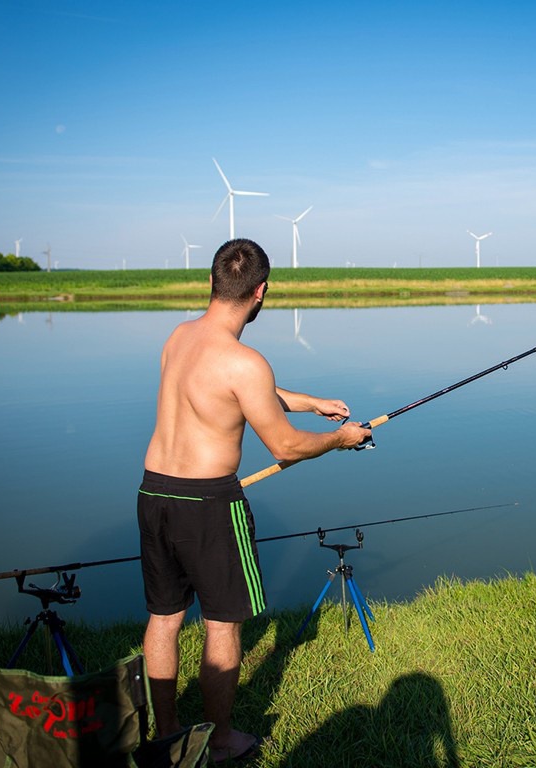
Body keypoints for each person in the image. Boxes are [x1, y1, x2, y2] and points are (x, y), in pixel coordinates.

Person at [137, 238, 370, 763]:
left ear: (213, 283)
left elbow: (231, 389)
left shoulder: (180, 337)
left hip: (154, 492)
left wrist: (312, 403)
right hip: (208, 504)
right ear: (261, 292)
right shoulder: (245, 362)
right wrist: (341, 438)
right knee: (222, 623)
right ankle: (219, 741)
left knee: (165, 619)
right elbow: (284, 444)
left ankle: (166, 733)